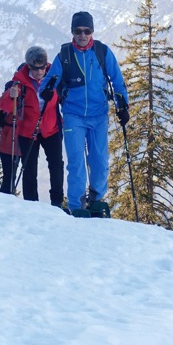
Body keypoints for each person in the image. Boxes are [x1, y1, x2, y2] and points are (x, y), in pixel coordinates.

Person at [39, 11, 129, 215]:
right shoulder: (65, 56)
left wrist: (123, 106)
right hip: (73, 115)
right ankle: (76, 205)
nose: (82, 35)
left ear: (92, 32)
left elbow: (117, 81)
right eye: (78, 31)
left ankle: (96, 199)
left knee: (99, 161)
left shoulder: (102, 52)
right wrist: (46, 91)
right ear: (72, 32)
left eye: (86, 31)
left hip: (99, 115)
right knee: (76, 162)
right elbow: (49, 81)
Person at [0, 46, 64, 206]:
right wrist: (9, 101)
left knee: (56, 166)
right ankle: (31, 204)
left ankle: (57, 202)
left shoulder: (55, 77)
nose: (39, 71)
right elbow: (6, 105)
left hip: (51, 129)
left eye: (41, 67)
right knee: (29, 169)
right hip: (28, 131)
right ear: (29, 66)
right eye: (35, 68)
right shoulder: (20, 82)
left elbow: (65, 98)